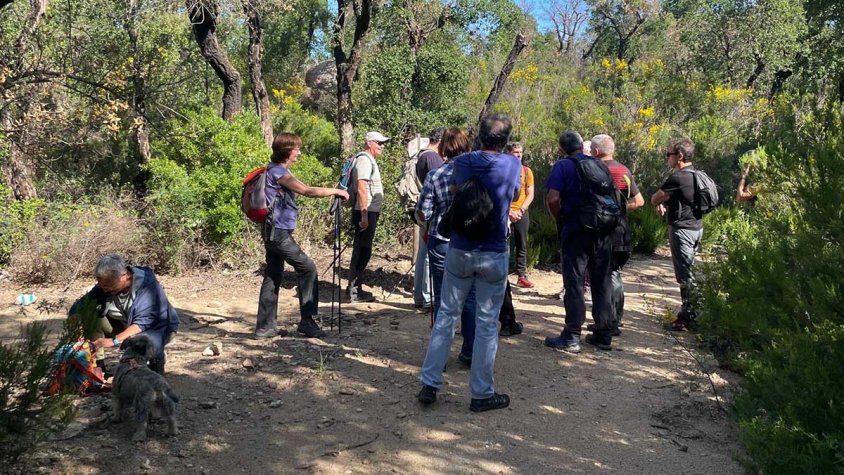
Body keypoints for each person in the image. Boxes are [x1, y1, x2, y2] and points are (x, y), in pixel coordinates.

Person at [416, 114, 521, 412]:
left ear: (480, 136)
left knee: (446, 315)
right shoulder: (511, 164)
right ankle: (481, 393)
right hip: (493, 251)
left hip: (459, 249)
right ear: (504, 139)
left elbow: (454, 188)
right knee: (487, 323)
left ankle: (430, 382)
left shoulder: (462, 163)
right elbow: (513, 194)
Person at [256, 132, 349, 339]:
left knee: (273, 274)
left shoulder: (274, 171)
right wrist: (336, 191)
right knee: (307, 268)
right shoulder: (279, 172)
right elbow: (307, 191)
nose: (299, 152)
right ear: (287, 150)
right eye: (297, 148)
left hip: (272, 231)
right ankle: (307, 322)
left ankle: (265, 327)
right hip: (278, 233)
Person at [544, 131, 616, 353]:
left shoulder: (562, 166)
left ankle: (572, 335)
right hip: (603, 229)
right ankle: (603, 334)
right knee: (601, 280)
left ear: (561, 148)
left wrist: (560, 219)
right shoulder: (599, 164)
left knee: (574, 282)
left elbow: (553, 198)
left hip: (576, 230)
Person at [415, 128, 475, 367]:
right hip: (470, 240)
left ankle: (440, 356)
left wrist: (423, 221)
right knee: (470, 297)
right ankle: (469, 352)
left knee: (442, 298)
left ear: (443, 148)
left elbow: (424, 210)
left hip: (441, 238)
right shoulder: (476, 175)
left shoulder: (436, 174)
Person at [70, 254, 180, 375]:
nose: (104, 290)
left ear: (124, 276)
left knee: (139, 346)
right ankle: (98, 366)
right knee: (93, 318)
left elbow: (142, 324)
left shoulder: (148, 287)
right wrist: (75, 318)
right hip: (126, 325)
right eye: (102, 285)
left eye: (108, 286)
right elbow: (82, 304)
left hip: (156, 330)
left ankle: (157, 358)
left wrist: (113, 341)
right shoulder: (105, 284)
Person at [587, 135, 644, 335]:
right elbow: (639, 201)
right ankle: (615, 319)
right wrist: (620, 210)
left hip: (603, 232)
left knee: (604, 276)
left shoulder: (594, 170)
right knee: (614, 273)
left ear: (594, 151)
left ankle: (608, 322)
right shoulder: (624, 170)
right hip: (622, 230)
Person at [650, 138, 702, 331]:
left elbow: (655, 198)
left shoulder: (678, 178)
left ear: (679, 156)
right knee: (688, 271)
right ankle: (692, 312)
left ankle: (688, 317)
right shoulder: (697, 175)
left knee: (685, 275)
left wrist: (660, 202)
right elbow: (685, 199)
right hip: (696, 228)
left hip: (682, 230)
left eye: (668, 154)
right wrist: (668, 202)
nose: (667, 158)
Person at [347, 131, 389, 303]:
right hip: (365, 212)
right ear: (370, 143)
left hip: (368, 211)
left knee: (363, 250)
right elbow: (362, 188)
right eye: (379, 143)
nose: (382, 146)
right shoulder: (364, 160)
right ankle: (354, 292)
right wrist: (364, 216)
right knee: (362, 251)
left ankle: (356, 289)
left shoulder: (368, 160)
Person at [413, 128, 446, 312]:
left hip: (425, 213)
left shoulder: (423, 155)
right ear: (440, 141)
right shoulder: (432, 158)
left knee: (423, 253)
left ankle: (421, 296)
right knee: (427, 256)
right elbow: (437, 186)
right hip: (431, 215)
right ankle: (427, 298)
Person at [506, 142, 535, 288]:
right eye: (515, 152)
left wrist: (521, 210)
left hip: (521, 212)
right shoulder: (502, 170)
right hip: (504, 212)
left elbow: (530, 194)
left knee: (521, 243)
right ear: (508, 153)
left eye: (521, 152)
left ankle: (521, 275)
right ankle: (501, 275)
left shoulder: (527, 171)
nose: (518, 155)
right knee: (501, 244)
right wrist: (508, 211)